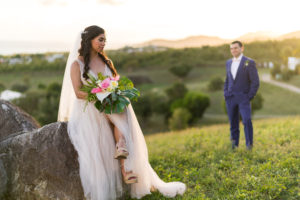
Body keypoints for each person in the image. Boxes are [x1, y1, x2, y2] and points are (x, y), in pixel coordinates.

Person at [57, 25, 186, 200]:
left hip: (108, 105)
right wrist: (99, 95)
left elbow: (114, 84)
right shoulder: (76, 64)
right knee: (118, 115)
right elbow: (78, 93)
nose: (103, 43)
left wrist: (112, 94)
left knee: (121, 108)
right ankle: (125, 161)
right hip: (90, 108)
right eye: (100, 39)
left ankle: (123, 155)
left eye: (105, 40)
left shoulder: (107, 61)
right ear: (89, 40)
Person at [223, 41, 260, 150]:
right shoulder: (228, 62)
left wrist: (249, 96)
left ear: (242, 48)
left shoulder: (249, 62)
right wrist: (226, 93)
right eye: (231, 48)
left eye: (235, 48)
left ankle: (249, 146)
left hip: (244, 98)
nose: (233, 50)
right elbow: (228, 79)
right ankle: (234, 146)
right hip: (230, 98)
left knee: (247, 120)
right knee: (233, 123)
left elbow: (255, 82)